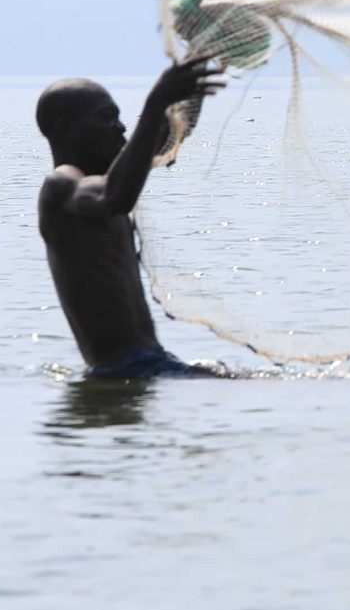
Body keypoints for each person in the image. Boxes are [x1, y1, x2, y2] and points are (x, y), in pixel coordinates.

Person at [35, 57, 225, 376]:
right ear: (63, 127)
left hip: (150, 362)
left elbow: (163, 134)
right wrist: (155, 102)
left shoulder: (111, 177)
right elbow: (115, 198)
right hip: (122, 369)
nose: (120, 127)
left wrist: (196, 72)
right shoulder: (61, 186)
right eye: (107, 118)